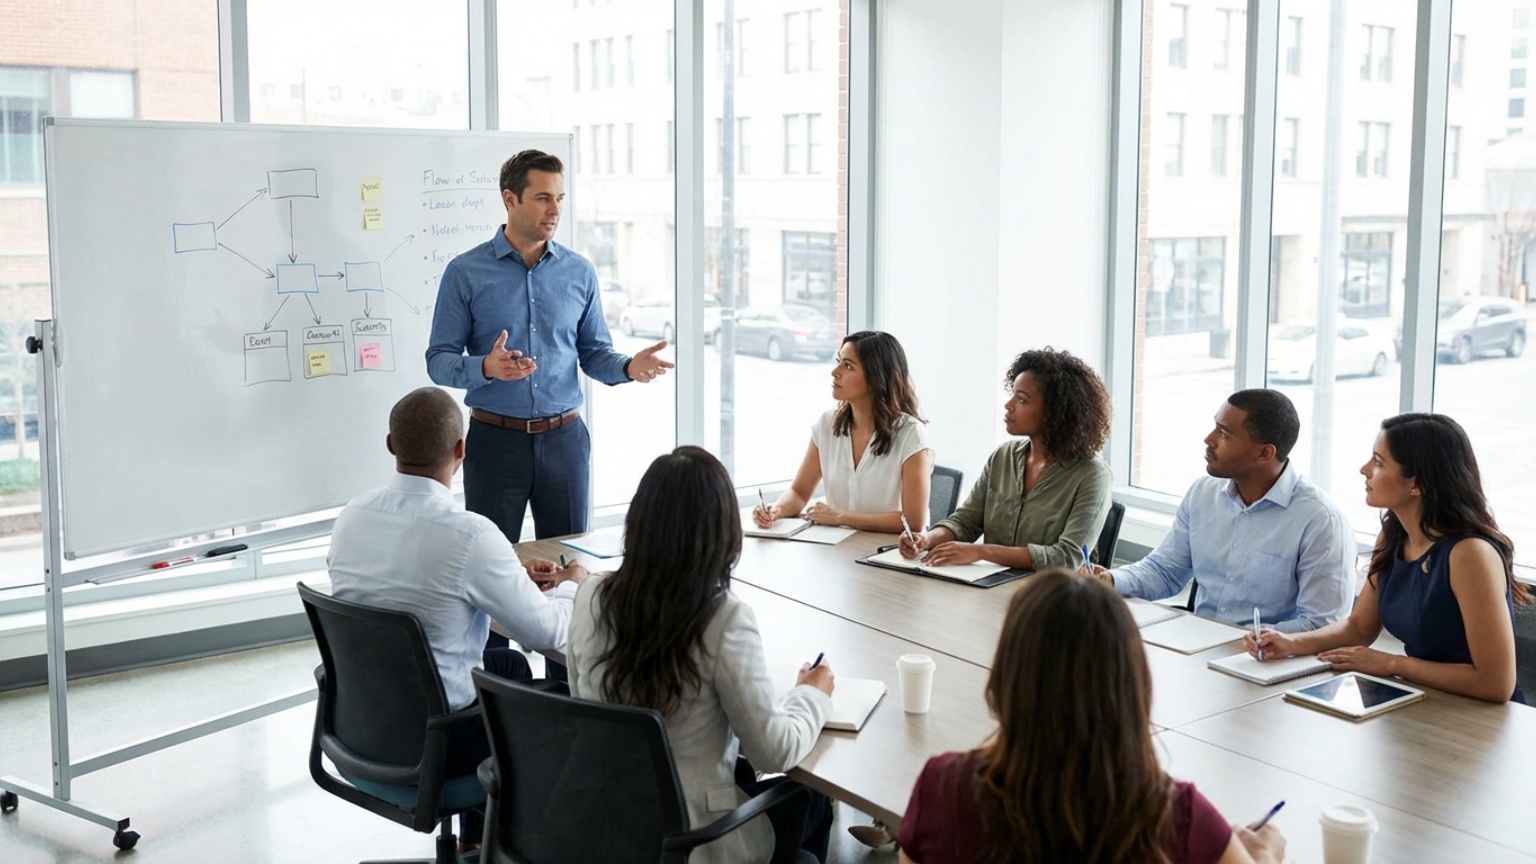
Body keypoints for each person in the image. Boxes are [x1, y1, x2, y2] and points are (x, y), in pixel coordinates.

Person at [327, 386, 586, 845]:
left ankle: (474, 840)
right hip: (438, 742)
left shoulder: (352, 516)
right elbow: (548, 630)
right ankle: (530, 843)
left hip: (360, 727)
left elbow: (410, 582)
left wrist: (506, 575)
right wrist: (571, 586)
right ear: (461, 450)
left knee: (508, 666)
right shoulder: (469, 534)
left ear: (391, 446)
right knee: (550, 696)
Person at [897, 569, 1286, 864]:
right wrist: (1263, 857)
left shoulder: (944, 787)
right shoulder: (1181, 818)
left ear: (1007, 675)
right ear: (1131, 685)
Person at [567, 446, 836, 864]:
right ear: (722, 530)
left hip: (605, 824)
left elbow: (582, 700)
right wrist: (811, 694)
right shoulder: (723, 617)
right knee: (811, 798)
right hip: (692, 842)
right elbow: (774, 753)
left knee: (740, 773)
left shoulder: (590, 596)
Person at [425, 149, 673, 547]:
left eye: (559, 198)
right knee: (491, 563)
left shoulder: (579, 272)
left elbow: (593, 354)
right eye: (542, 198)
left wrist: (628, 367)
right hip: (495, 444)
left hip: (565, 442)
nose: (554, 209)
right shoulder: (465, 272)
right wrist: (485, 368)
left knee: (570, 561)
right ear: (510, 200)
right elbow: (437, 361)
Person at [1248, 413, 1529, 704]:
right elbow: (1359, 628)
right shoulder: (1393, 536)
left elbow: (1496, 684)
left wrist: (1392, 664)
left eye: (1378, 462)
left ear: (1416, 484)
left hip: (1484, 719)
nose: (1364, 469)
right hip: (1425, 701)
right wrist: (1290, 643)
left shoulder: (1470, 554)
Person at [1089, 389, 1353, 633]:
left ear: (1264, 453)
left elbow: (1323, 625)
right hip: (1200, 647)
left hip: (1269, 660)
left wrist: (1253, 640)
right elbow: (1166, 571)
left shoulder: (1320, 520)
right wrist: (1111, 579)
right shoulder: (1204, 493)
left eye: (1224, 433)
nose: (1209, 439)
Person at [901, 347, 1111, 571]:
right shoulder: (1003, 457)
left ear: (1055, 412)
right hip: (993, 586)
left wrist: (981, 551)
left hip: (1051, 596)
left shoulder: (1092, 475)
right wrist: (927, 538)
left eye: (1021, 400)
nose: (1008, 405)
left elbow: (1066, 558)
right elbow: (966, 521)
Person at [753, 330, 933, 533]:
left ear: (876, 376)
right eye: (838, 361)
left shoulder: (911, 435)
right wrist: (775, 510)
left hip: (886, 554)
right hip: (836, 548)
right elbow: (798, 492)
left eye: (847, 366)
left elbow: (914, 521)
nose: (835, 372)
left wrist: (840, 517)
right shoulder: (827, 425)